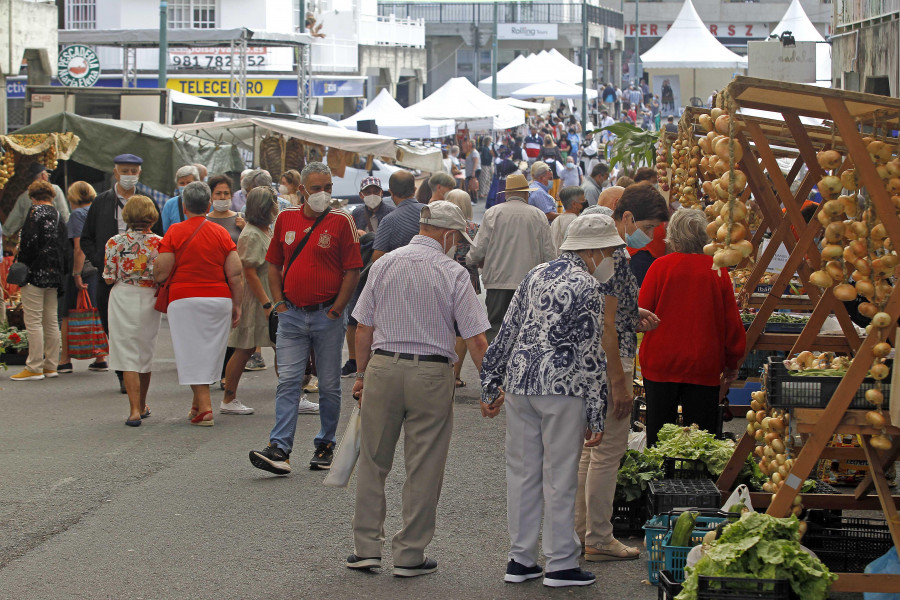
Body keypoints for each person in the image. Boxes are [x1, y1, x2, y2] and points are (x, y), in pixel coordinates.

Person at [346, 201, 490, 578]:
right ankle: (409, 554)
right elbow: (475, 339)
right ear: (446, 235)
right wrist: (491, 387)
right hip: (431, 374)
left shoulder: (384, 264)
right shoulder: (453, 273)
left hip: (382, 368)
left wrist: (361, 374)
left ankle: (366, 549)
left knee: (373, 461)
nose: (457, 244)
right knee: (424, 466)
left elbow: (363, 327)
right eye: (456, 238)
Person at [480, 214, 625, 588]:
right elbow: (591, 353)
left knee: (523, 473)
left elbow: (508, 329)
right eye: (608, 250)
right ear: (591, 251)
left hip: (521, 383)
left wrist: (490, 381)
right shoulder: (588, 286)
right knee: (560, 476)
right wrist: (597, 410)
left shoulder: (536, 273)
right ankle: (560, 563)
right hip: (564, 388)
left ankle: (521, 559)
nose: (610, 256)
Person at [248, 162, 362, 474]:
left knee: (327, 384)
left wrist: (337, 309)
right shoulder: (285, 218)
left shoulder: (342, 221)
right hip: (292, 316)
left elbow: (353, 269)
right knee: (288, 381)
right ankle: (279, 448)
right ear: (302, 190)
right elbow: (273, 264)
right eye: (316, 188)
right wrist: (278, 304)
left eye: (327, 187)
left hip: (327, 315)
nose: (322, 193)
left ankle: (325, 444)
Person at [574, 185, 668, 561]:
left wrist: (633, 315)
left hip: (589, 359)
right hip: (611, 361)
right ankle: (597, 537)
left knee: (589, 449)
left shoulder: (593, 243)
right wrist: (620, 382)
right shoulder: (616, 253)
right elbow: (607, 325)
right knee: (607, 452)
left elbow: (608, 311)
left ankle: (580, 532)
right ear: (625, 217)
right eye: (645, 225)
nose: (646, 233)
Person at [638, 209, 746, 445]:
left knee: (659, 433)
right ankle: (696, 479)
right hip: (703, 362)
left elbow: (641, 313)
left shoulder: (659, 267)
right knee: (701, 436)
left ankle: (659, 477)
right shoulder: (717, 270)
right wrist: (732, 363)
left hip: (661, 361)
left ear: (672, 235)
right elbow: (732, 323)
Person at [154, 181, 243, 427]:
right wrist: (238, 304)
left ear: (184, 207)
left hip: (184, 299)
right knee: (208, 352)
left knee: (191, 352)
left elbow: (162, 271)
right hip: (219, 298)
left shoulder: (174, 232)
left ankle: (205, 408)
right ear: (207, 204)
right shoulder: (221, 233)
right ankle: (197, 403)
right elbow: (235, 273)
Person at [80, 154, 164, 393]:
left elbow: (159, 238)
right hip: (110, 274)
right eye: (124, 170)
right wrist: (100, 260)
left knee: (142, 331)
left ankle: (133, 371)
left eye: (133, 171)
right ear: (115, 173)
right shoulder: (102, 201)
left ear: (139, 173)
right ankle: (123, 372)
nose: (129, 175)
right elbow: (87, 238)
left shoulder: (147, 201)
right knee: (112, 326)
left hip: (144, 282)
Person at [467, 173, 554, 342]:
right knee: (525, 329)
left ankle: (494, 366)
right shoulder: (538, 215)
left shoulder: (493, 213)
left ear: (506, 194)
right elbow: (549, 252)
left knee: (495, 329)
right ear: (526, 194)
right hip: (529, 283)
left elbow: (479, 247)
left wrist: (470, 260)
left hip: (497, 281)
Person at [103, 196, 163, 426]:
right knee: (144, 351)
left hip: (123, 295)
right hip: (149, 296)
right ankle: (143, 403)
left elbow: (108, 278)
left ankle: (133, 410)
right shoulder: (160, 243)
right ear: (151, 215)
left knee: (127, 353)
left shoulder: (114, 242)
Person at [220, 186, 281, 416]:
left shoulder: (262, 230)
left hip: (266, 298)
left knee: (275, 348)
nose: (277, 205)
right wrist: (267, 304)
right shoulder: (252, 234)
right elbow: (250, 272)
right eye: (274, 202)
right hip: (259, 300)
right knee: (246, 348)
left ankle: (291, 396)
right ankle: (229, 398)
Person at [9, 180, 68, 381]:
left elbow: (29, 243)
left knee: (33, 321)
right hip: (54, 274)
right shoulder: (59, 215)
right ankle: (51, 365)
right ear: (52, 196)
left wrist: (23, 262)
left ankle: (34, 366)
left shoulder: (35, 214)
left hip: (35, 273)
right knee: (51, 320)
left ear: (32, 197)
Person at [341, 177, 394, 378]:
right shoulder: (355, 214)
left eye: (376, 191)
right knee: (354, 315)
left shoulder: (390, 214)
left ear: (382, 193)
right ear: (362, 194)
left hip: (383, 270)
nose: (372, 195)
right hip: (360, 271)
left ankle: (378, 358)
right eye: (368, 191)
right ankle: (353, 360)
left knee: (382, 316)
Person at [58, 182, 108, 373]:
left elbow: (79, 247)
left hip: (82, 269)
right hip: (97, 267)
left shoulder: (78, 214)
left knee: (68, 312)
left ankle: (65, 359)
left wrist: (76, 273)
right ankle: (100, 356)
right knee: (96, 310)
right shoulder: (97, 211)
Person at [444, 189, 481, 387]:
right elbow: (481, 257)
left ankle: (442, 371)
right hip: (468, 281)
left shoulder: (443, 226)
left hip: (443, 280)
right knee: (462, 330)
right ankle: (455, 374)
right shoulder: (475, 228)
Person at [2, 162, 69, 236]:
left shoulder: (23, 197)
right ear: (44, 176)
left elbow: (11, 223)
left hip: (32, 239)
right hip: (53, 238)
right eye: (48, 174)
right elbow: (65, 217)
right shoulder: (55, 190)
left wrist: (5, 233)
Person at [371, 171, 423, 262]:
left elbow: (377, 258)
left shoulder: (389, 221)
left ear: (391, 192)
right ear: (415, 190)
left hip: (402, 273)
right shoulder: (429, 211)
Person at [161, 165, 201, 233]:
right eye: (182, 183)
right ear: (177, 185)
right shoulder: (170, 205)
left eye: (189, 183)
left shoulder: (204, 202)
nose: (185, 186)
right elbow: (163, 231)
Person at [550, 186, 586, 256]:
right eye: (583, 200)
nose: (585, 202)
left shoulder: (556, 220)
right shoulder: (576, 221)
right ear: (574, 204)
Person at [477, 135, 494, 205]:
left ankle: (486, 192)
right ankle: (482, 193)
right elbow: (486, 157)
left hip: (487, 165)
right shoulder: (485, 149)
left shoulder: (486, 148)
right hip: (485, 165)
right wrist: (491, 155)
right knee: (484, 179)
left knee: (487, 179)